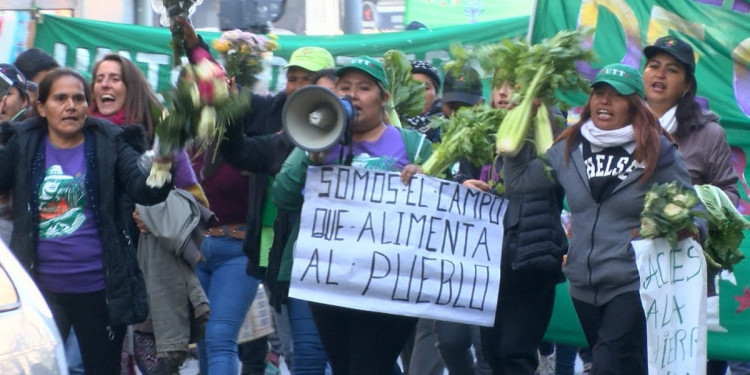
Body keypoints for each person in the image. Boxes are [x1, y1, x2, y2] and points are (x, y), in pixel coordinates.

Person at [502, 63, 706, 375]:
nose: (605, 101)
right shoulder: (568, 147)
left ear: (634, 105)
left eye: (617, 95)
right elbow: (518, 184)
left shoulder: (657, 149)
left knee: (607, 366)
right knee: (627, 365)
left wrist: (691, 228)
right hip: (583, 284)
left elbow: (694, 209)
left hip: (633, 282)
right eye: (599, 93)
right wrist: (518, 130)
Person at [0, 68, 172, 374]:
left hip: (99, 290)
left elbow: (146, 191)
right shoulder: (23, 143)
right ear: (41, 107)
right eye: (60, 98)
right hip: (41, 293)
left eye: (79, 98)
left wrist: (162, 165)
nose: (71, 106)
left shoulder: (111, 141)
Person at [272, 55, 432, 375]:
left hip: (392, 284)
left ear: (384, 98)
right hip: (331, 281)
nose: (353, 95)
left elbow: (442, 204)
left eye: (364, 87)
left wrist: (425, 177)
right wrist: (312, 156)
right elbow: (283, 195)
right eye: (345, 87)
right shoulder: (319, 139)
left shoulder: (412, 146)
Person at [453, 74, 567, 375]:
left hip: (530, 262)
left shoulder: (549, 127)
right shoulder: (479, 129)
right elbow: (456, 174)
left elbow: (558, 169)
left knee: (515, 355)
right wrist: (463, 182)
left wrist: (539, 114)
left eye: (513, 84)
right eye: (498, 86)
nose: (503, 93)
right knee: (489, 358)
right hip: (484, 264)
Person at [642, 35, 740, 375]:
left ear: (687, 86)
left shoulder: (707, 133)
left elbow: (729, 193)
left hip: (685, 269)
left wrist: (687, 207)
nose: (660, 74)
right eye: (654, 66)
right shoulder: (623, 124)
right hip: (629, 269)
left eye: (672, 70)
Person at [428, 65, 492, 375]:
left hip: (488, 257)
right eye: (454, 106)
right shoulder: (429, 138)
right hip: (447, 257)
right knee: (451, 342)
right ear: (443, 105)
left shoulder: (497, 140)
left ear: (481, 104)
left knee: (486, 350)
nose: (460, 113)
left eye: (468, 106)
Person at [401, 60, 443, 142]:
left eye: (425, 88)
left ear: (436, 92)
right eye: (412, 87)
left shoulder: (446, 123)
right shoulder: (389, 122)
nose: (419, 93)